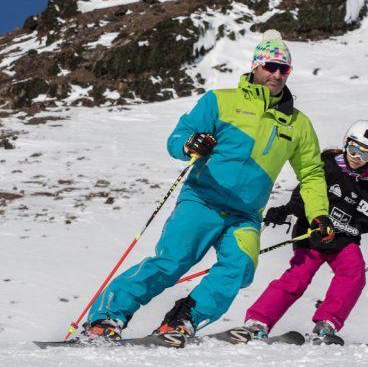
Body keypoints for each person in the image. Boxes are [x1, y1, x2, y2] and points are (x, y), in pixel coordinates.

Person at [81, 30, 332, 340]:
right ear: (255, 66)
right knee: (171, 262)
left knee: (240, 268)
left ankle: (184, 318)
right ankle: (106, 318)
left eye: (284, 69)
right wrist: (190, 144)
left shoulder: (298, 124)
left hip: (244, 214)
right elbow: (177, 137)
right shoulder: (220, 101)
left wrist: (319, 212)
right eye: (270, 66)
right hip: (202, 199)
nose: (277, 74)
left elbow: (311, 173)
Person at [242, 120, 368, 343]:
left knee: (354, 273)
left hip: (344, 239)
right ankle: (258, 321)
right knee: (298, 277)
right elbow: (304, 195)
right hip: (313, 234)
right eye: (354, 149)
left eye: (366, 154)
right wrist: (285, 211)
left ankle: (326, 324)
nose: (357, 157)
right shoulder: (326, 165)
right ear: (346, 143)